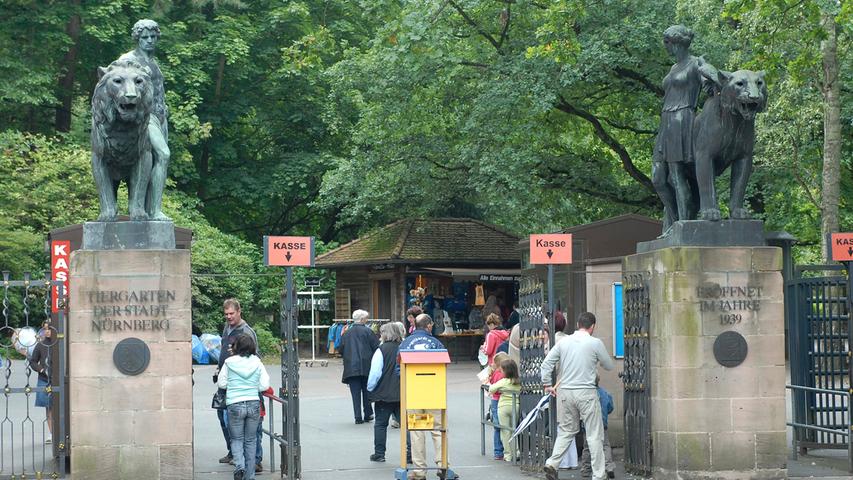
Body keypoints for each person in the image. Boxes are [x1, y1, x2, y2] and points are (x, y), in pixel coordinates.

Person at [651, 24, 719, 229]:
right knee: (658, 179)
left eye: (667, 42)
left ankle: (682, 225)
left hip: (683, 119)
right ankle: (674, 221)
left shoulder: (696, 63)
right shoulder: (673, 68)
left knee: (677, 175)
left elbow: (711, 84)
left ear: (677, 42)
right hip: (667, 122)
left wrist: (713, 81)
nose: (665, 46)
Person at [540, 312, 615, 480]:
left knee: (567, 430)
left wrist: (547, 385)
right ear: (592, 326)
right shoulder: (595, 343)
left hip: (566, 392)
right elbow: (609, 365)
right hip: (586, 392)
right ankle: (598, 474)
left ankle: (552, 463)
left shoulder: (564, 342)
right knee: (594, 434)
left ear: (577, 324)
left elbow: (546, 364)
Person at [118, 19, 171, 220]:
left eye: (152, 37)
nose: (149, 40)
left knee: (159, 160)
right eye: (144, 37)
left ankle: (151, 210)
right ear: (137, 38)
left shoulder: (153, 62)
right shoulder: (128, 60)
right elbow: (115, 86)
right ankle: (155, 211)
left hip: (161, 116)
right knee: (164, 154)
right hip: (144, 117)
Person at [399, 314, 448, 480]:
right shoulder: (436, 343)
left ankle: (419, 471)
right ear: (429, 326)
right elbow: (443, 366)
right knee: (438, 429)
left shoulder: (406, 343)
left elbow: (398, 369)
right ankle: (443, 465)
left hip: (414, 393)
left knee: (417, 430)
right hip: (434, 393)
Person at [214, 299, 260, 469]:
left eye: (232, 313)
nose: (229, 317)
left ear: (239, 311)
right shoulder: (227, 328)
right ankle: (233, 452)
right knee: (223, 417)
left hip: (242, 384)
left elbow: (256, 356)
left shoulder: (246, 331)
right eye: (226, 314)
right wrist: (219, 368)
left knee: (249, 424)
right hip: (225, 380)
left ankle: (255, 460)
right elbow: (223, 350)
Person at [218, 334, 270, 480]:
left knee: (236, 439)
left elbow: (221, 383)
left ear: (237, 346)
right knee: (251, 440)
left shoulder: (229, 362)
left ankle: (239, 466)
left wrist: (234, 386)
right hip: (253, 403)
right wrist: (253, 387)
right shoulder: (257, 362)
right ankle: (250, 475)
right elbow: (264, 385)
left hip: (235, 403)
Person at [367, 323, 411, 463]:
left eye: (381, 333)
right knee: (407, 425)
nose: (380, 335)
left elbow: (375, 373)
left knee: (380, 424)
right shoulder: (405, 347)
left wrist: (370, 388)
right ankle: (410, 453)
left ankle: (379, 453)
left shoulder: (381, 350)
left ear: (386, 334)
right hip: (403, 392)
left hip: (384, 393)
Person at [339, 309, 380, 424]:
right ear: (362, 319)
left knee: (355, 393)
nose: (367, 320)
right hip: (367, 366)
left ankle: (357, 416)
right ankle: (368, 413)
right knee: (367, 391)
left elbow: (341, 349)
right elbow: (376, 347)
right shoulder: (368, 332)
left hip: (351, 367)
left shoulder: (346, 333)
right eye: (366, 318)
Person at [580, 376, 615, 479]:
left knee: (587, 447)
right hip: (602, 422)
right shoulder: (605, 393)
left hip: (588, 423)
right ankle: (609, 467)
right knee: (605, 446)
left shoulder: (584, 394)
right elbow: (610, 407)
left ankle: (586, 469)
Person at [489, 359, 521, 463]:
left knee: (505, 431)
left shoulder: (503, 381)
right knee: (514, 430)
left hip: (503, 407)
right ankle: (516, 451)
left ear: (506, 371)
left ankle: (508, 454)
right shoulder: (518, 382)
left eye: (502, 370)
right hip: (515, 406)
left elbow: (491, 389)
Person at [29, 321, 53, 444]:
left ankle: (62, 433)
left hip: (58, 379)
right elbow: (33, 362)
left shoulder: (59, 343)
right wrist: (42, 369)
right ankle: (51, 434)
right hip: (44, 379)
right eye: (45, 329)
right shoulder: (40, 345)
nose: (47, 331)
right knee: (48, 407)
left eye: (49, 329)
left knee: (61, 406)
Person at [486, 351, 510, 460]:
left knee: (498, 426)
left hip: (495, 400)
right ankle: (500, 451)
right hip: (499, 400)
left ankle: (498, 451)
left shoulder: (495, 373)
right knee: (500, 426)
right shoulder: (500, 374)